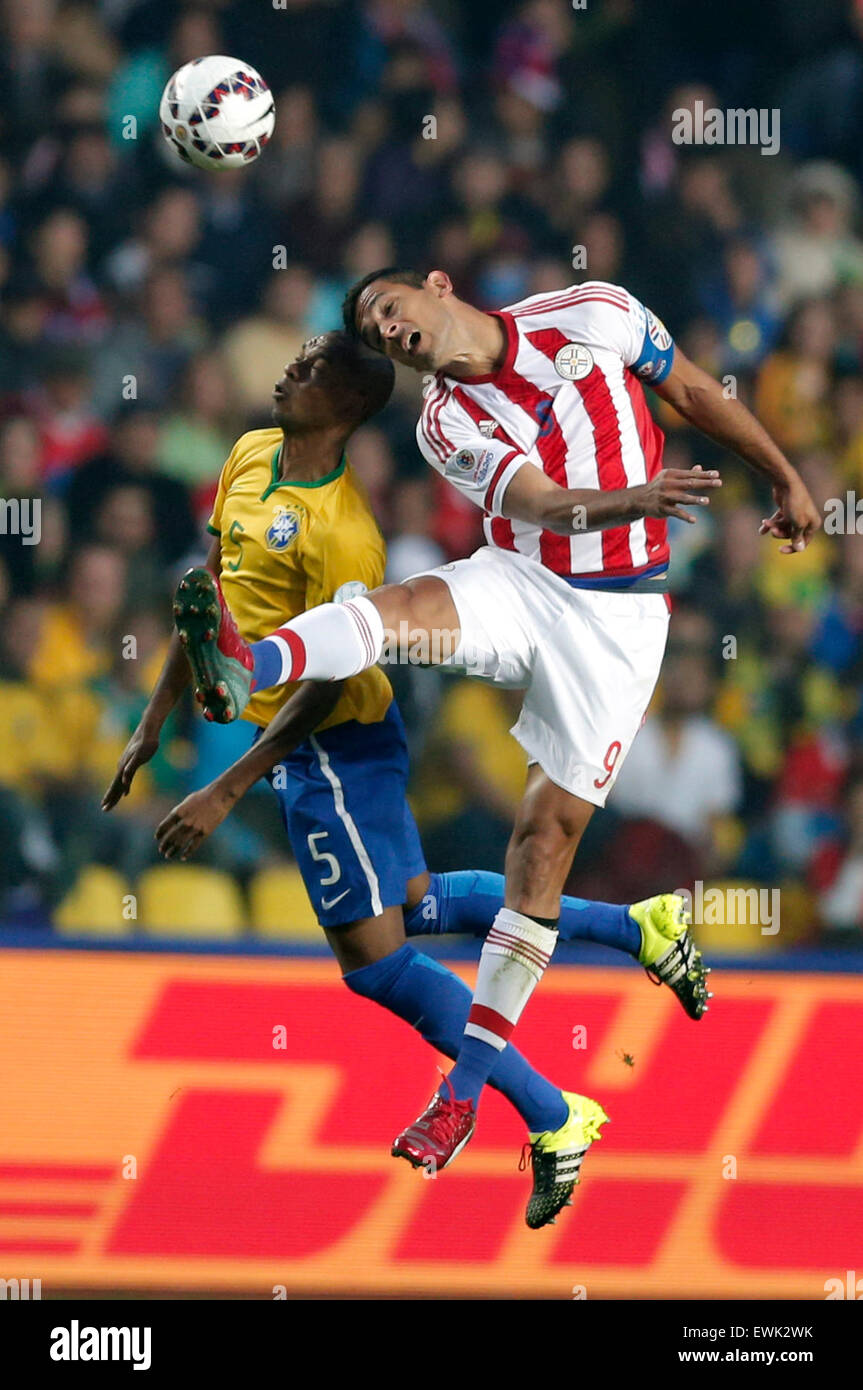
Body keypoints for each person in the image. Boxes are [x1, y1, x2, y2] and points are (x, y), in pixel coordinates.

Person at [173, 274, 772, 1175]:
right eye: (374, 330)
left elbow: (689, 388)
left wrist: (788, 478)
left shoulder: (592, 312)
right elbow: (534, 506)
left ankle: (478, 1092)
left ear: (436, 288)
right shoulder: (443, 422)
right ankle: (248, 665)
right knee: (395, 607)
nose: (388, 328)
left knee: (534, 850)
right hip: (522, 579)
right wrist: (633, 499)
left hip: (618, 619)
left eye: (389, 309)